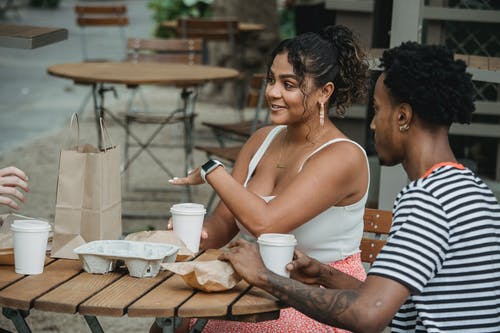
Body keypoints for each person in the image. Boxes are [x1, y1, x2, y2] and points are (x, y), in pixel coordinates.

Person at [220, 42, 500, 332]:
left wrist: (266, 277)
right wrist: (325, 274)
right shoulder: (473, 193)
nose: (374, 126)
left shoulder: (428, 199)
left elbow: (369, 316)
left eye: (377, 110)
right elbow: (392, 305)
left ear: (402, 117)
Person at [162, 25, 370, 333]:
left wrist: (211, 170)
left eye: (289, 84)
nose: (272, 92)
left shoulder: (343, 157)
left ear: (325, 92)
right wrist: (192, 233)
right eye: (271, 80)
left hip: (323, 297)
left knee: (235, 327)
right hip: (261, 283)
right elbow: (223, 224)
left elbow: (267, 223)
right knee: (170, 317)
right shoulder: (261, 140)